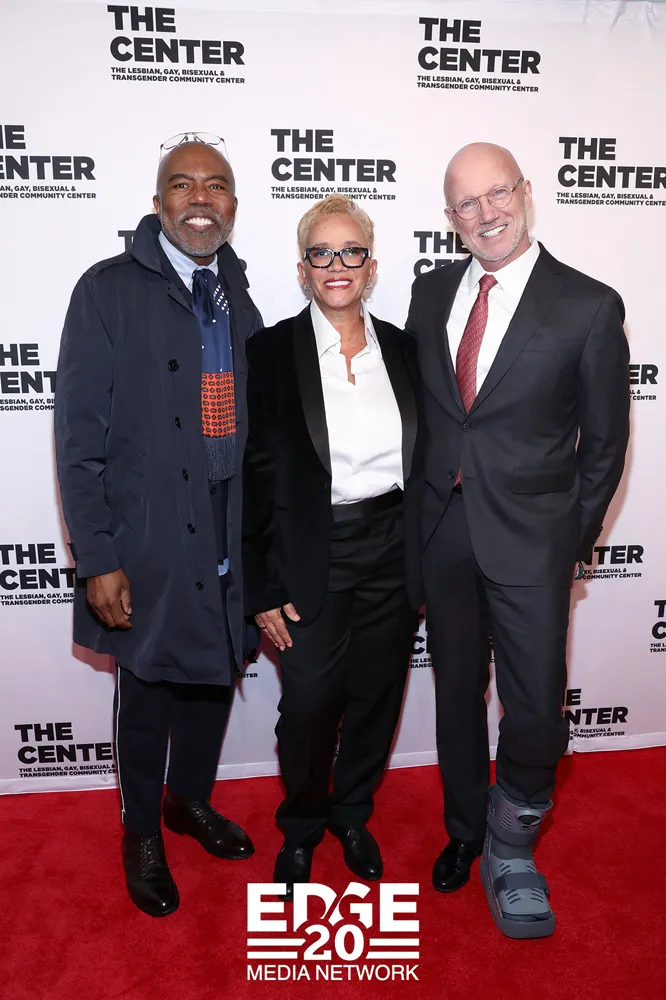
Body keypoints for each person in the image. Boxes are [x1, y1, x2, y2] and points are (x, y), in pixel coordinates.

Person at [406, 142, 629, 938]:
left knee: (535, 707)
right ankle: (466, 829)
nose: (486, 213)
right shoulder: (431, 291)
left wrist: (570, 539)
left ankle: (512, 841)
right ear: (450, 217)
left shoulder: (588, 305)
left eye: (497, 193)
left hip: (534, 542)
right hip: (444, 534)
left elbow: (605, 445)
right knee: (457, 694)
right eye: (467, 203)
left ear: (526, 192)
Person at [55, 133, 263, 918]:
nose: (200, 198)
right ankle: (141, 829)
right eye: (183, 184)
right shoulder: (106, 290)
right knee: (145, 690)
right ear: (158, 202)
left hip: (227, 524)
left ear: (233, 205)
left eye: (215, 185)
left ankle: (188, 801)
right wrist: (97, 556)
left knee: (214, 673)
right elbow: (77, 437)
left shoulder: (240, 293)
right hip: (144, 536)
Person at [243, 195, 422, 900]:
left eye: (351, 252)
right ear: (303, 268)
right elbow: (251, 479)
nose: (336, 265)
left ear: (371, 267)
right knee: (310, 705)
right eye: (322, 253)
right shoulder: (268, 353)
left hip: (394, 547)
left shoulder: (405, 350)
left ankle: (351, 814)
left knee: (377, 695)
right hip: (308, 554)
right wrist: (261, 587)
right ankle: (302, 826)